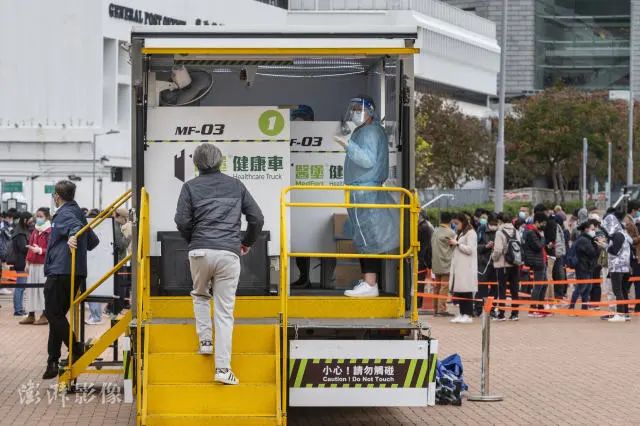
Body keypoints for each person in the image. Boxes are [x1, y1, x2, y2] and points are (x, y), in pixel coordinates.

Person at [175, 143, 264, 385]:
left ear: (196, 164)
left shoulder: (190, 187)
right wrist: (245, 242)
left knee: (200, 294)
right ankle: (223, 370)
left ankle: (205, 341)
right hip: (228, 253)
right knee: (225, 312)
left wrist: (194, 240)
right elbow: (257, 218)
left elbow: (181, 221)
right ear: (220, 161)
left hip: (200, 251)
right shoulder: (236, 185)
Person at [334, 96, 398, 297]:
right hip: (362, 191)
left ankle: (371, 284)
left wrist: (348, 145)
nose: (354, 112)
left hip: (365, 192)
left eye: (357, 108)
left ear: (369, 111)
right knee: (364, 236)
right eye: (351, 108)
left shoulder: (370, 131)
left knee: (367, 237)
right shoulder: (366, 130)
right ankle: (369, 282)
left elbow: (367, 160)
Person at [42, 180, 100, 380]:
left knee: (52, 313)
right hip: (74, 271)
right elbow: (93, 241)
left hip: (61, 271)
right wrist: (77, 236)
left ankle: (75, 347)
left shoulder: (65, 214)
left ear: (57, 196)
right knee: (57, 316)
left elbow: (75, 229)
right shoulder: (77, 212)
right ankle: (52, 361)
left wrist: (73, 236)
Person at [289, 105, 336, 288]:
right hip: (298, 197)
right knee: (300, 237)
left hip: (321, 197)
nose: (298, 122)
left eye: (301, 118)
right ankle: (304, 278)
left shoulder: (321, 136)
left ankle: (329, 280)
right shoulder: (291, 136)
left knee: (325, 240)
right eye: (296, 119)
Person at [20, 208, 52, 325]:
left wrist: (40, 250)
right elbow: (29, 248)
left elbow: (52, 249)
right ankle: (31, 314)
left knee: (42, 291)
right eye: (36, 216)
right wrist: (27, 263)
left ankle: (45, 315)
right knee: (31, 290)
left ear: (47, 217)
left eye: (40, 216)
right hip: (33, 265)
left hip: (43, 265)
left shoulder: (50, 231)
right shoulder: (35, 231)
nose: (38, 218)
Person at [602, 211, 633, 322]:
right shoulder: (622, 233)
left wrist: (604, 246)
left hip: (617, 267)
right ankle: (624, 314)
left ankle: (620, 314)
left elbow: (615, 251)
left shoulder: (618, 235)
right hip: (624, 267)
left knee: (617, 291)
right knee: (622, 290)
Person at [449, 213, 478, 324]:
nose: (456, 226)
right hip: (460, 267)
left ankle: (468, 314)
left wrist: (457, 244)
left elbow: (470, 250)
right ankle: (462, 313)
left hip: (467, 268)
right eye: (454, 224)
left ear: (463, 222)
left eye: (457, 223)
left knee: (467, 292)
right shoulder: (460, 233)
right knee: (460, 292)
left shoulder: (471, 233)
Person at [492, 212, 521, 321]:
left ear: (500, 221)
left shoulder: (499, 233)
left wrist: (493, 257)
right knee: (514, 289)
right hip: (515, 263)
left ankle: (501, 313)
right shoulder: (516, 231)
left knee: (502, 289)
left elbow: (498, 250)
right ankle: (515, 313)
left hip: (503, 264)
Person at [570, 220, 604, 310]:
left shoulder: (587, 239)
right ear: (586, 229)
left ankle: (584, 306)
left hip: (587, 266)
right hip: (582, 267)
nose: (594, 231)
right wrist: (599, 246)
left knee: (587, 288)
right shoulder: (584, 240)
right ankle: (571, 306)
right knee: (581, 287)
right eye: (592, 229)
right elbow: (592, 253)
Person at [523, 212, 549, 318]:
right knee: (538, 285)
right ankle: (533, 309)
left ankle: (540, 307)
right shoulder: (531, 232)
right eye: (542, 223)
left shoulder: (535, 232)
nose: (543, 225)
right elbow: (538, 246)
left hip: (541, 260)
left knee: (544, 284)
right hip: (537, 262)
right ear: (537, 222)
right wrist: (542, 238)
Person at [430, 211, 455, 316]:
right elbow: (454, 246)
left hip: (435, 262)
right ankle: (442, 309)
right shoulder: (450, 232)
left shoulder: (435, 231)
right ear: (450, 220)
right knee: (444, 287)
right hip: (446, 262)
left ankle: (435, 308)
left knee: (437, 286)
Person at [7, 211, 30, 317]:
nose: (31, 222)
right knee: (20, 286)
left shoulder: (20, 230)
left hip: (20, 262)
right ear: (25, 220)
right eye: (30, 219)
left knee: (20, 286)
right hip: (21, 263)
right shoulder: (21, 233)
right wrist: (32, 247)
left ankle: (19, 308)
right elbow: (23, 248)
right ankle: (18, 309)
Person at [475, 213, 498, 317]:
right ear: (489, 223)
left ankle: (490, 309)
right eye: (492, 223)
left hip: (496, 264)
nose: (494, 225)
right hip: (483, 264)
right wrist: (485, 246)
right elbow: (476, 247)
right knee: (482, 287)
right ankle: (478, 308)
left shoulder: (500, 232)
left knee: (494, 288)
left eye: (496, 223)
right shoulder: (481, 231)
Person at [623, 200, 640, 312]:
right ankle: (633, 306)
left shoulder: (630, 221)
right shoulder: (629, 223)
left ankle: (628, 305)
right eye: (637, 210)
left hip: (633, 256)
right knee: (633, 282)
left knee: (629, 282)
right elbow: (629, 241)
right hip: (633, 257)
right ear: (633, 210)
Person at [417, 210, 434, 309]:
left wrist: (421, 259)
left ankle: (418, 303)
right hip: (427, 258)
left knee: (420, 282)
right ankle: (419, 302)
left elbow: (424, 246)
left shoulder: (423, 227)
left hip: (423, 259)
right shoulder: (428, 225)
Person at [0, 210, 15, 295]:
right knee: (3, 269)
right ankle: (2, 287)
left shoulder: (6, 226)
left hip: (4, 251)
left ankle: (3, 287)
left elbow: (10, 236)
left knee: (4, 270)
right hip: (2, 251)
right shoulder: (4, 227)